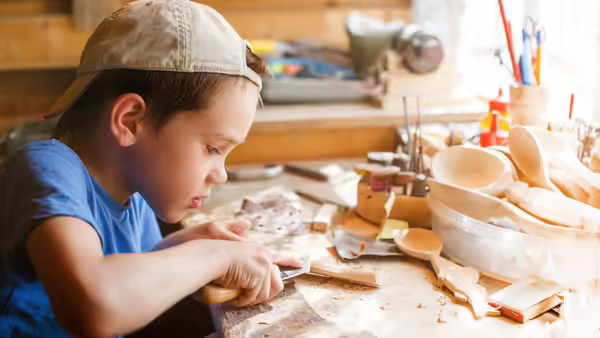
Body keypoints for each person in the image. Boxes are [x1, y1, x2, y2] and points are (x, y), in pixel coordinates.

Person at [0, 1, 301, 336]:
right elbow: (94, 304)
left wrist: (181, 249)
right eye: (213, 148)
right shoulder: (44, 169)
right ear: (130, 120)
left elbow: (131, 276)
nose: (222, 173)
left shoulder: (136, 195)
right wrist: (214, 256)